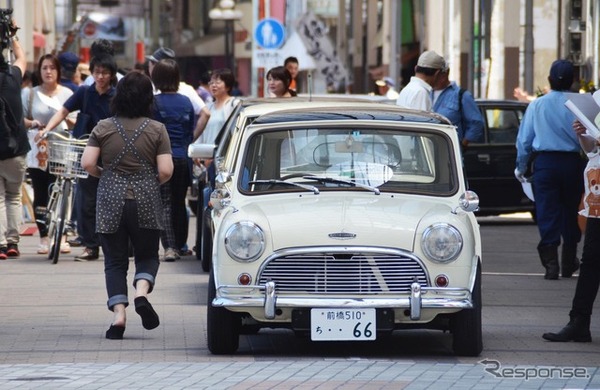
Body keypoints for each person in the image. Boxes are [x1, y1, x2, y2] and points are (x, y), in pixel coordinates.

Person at [80, 71, 173, 340]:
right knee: (147, 254)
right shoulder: (157, 129)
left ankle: (118, 316)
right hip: (145, 198)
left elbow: (87, 164)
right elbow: (166, 171)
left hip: (110, 199)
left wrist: (106, 175)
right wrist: (147, 180)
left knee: (114, 261)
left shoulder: (103, 127)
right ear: (148, 99)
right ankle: (141, 293)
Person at [39, 54, 118, 262]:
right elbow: (63, 111)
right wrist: (47, 129)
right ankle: (91, 246)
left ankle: (118, 245)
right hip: (87, 152)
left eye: (105, 73)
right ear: (92, 73)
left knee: (113, 201)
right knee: (86, 201)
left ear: (111, 75)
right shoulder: (84, 92)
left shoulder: (117, 96)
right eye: (97, 72)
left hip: (112, 154)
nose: (100, 76)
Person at [515, 59, 585, 280]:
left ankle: (551, 264)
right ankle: (568, 260)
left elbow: (524, 141)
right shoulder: (579, 104)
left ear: (549, 80)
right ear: (573, 81)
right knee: (571, 211)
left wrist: (521, 166)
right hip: (573, 164)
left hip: (545, 164)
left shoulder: (537, 104)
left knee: (547, 212)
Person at [542, 119, 600, 342]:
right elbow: (590, 150)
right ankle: (579, 321)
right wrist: (583, 134)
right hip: (597, 197)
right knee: (590, 259)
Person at [22, 54, 75, 254]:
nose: (48, 72)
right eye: (44, 68)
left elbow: (76, 120)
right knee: (41, 191)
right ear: (39, 71)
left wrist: (66, 118)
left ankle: (62, 235)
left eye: (52, 68)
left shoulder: (68, 93)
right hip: (38, 149)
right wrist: (33, 123)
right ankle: (44, 236)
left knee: (62, 190)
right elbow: (22, 119)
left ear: (58, 71)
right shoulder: (29, 94)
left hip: (62, 148)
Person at [152, 59, 195, 261]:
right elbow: (190, 132)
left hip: (162, 158)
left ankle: (169, 247)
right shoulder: (186, 102)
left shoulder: (154, 102)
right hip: (183, 158)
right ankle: (179, 245)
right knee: (180, 202)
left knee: (164, 203)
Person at [0, 21, 30, 259]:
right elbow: (22, 57)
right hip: (17, 148)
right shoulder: (14, 76)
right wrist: (12, 34)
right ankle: (12, 242)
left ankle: (0, 243)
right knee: (13, 196)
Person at [146, 47, 210, 140]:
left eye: (151, 63)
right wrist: (190, 140)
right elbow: (205, 114)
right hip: (180, 150)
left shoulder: (148, 89)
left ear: (158, 67)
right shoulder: (186, 90)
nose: (149, 66)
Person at [432, 65, 484, 149]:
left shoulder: (461, 95)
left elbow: (476, 123)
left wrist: (462, 145)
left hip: (449, 151)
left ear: (445, 74)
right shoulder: (426, 93)